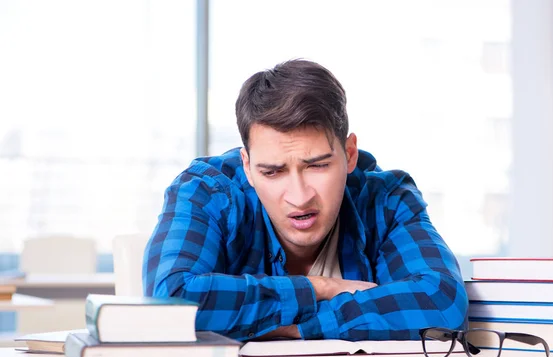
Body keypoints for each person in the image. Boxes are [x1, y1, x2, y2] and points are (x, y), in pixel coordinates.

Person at [142, 59, 468, 341]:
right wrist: (319, 289)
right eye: (272, 172)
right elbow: (171, 302)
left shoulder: (386, 200)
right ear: (247, 166)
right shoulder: (207, 191)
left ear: (349, 154)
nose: (299, 197)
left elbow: (441, 300)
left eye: (318, 166)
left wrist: (296, 329)